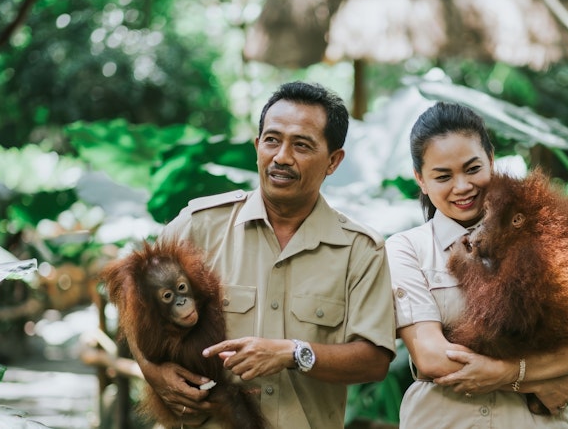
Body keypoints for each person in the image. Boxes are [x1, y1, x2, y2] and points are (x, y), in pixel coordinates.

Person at [132, 81, 397, 428]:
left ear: (333, 161)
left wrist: (293, 353)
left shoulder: (360, 251)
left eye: (301, 145)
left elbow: (374, 361)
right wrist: (153, 371)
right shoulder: (199, 227)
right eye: (272, 140)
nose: (282, 157)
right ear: (257, 146)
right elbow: (133, 299)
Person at [386, 102, 568, 428]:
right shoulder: (408, 249)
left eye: (473, 169)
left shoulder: (537, 227)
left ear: (491, 160)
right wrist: (537, 382)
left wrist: (508, 373)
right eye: (443, 176)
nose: (462, 187)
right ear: (421, 179)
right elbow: (432, 357)